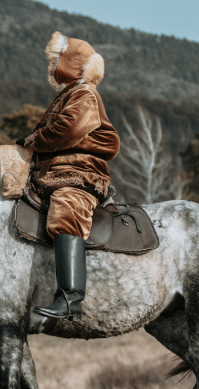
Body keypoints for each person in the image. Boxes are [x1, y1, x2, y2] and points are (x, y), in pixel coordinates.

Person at [17, 32, 120, 321]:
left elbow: (68, 129)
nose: (51, 67)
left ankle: (69, 298)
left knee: (66, 208)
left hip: (79, 174)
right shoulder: (70, 93)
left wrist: (33, 140)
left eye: (55, 61)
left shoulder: (84, 93)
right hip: (57, 171)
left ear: (71, 63)